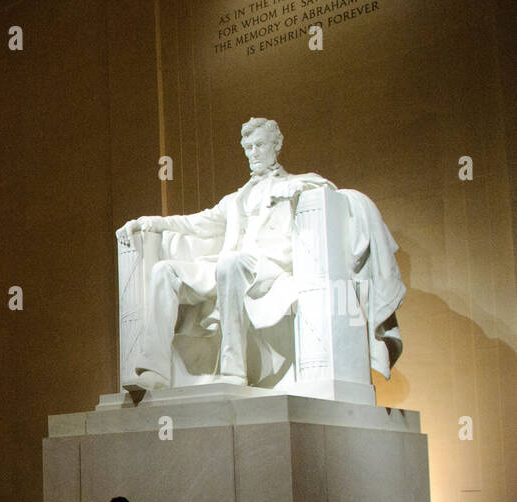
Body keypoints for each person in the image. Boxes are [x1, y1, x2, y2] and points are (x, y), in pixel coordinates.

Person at [119, 117, 403, 394]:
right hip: (230, 267)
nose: (253, 153)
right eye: (248, 148)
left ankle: (234, 370)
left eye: (259, 145)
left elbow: (331, 190)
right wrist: (154, 222)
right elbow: (197, 222)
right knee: (165, 271)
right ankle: (154, 369)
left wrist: (297, 189)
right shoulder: (236, 198)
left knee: (231, 264)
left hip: (269, 270)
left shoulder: (297, 182)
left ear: (275, 145)